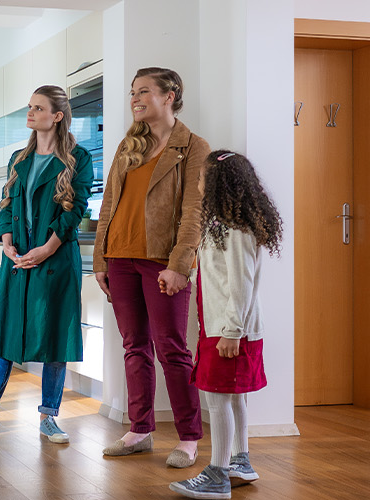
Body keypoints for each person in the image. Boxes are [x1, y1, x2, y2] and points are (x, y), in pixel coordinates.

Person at [0, 85, 94, 443]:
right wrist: (6, 241)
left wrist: (47, 248)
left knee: (55, 336)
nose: (30, 113)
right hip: (17, 258)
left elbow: (77, 209)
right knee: (4, 334)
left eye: (38, 108)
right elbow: (6, 205)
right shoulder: (18, 159)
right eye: (30, 107)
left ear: (56, 116)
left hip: (55, 259)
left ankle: (49, 417)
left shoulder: (79, 158)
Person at [92, 67, 212, 466]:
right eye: (132, 92)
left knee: (173, 349)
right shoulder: (130, 144)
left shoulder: (193, 147)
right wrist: (100, 260)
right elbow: (108, 204)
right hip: (120, 258)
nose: (135, 98)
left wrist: (181, 265)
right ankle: (139, 429)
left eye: (143, 91)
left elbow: (195, 212)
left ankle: (189, 437)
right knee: (134, 347)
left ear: (170, 95)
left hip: (162, 263)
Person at [169, 150, 280, 499]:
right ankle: (240, 461)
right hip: (221, 328)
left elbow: (242, 284)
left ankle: (217, 474)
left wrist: (232, 331)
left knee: (217, 399)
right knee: (233, 398)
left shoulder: (234, 230)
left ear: (216, 184)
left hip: (230, 331)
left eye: (202, 177)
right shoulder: (220, 226)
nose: (198, 183)